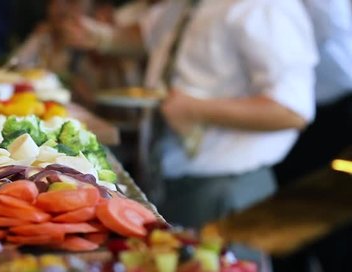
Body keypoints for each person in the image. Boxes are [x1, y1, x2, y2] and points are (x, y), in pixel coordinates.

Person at [63, 0, 318, 230]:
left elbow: (291, 110)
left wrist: (196, 110)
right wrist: (101, 38)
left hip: (224, 189)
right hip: (170, 177)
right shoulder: (187, 4)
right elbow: (149, 35)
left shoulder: (265, 8)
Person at [272, 0, 352, 272]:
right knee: (286, 249)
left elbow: (330, 36)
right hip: (288, 120)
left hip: (332, 117)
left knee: (338, 254)